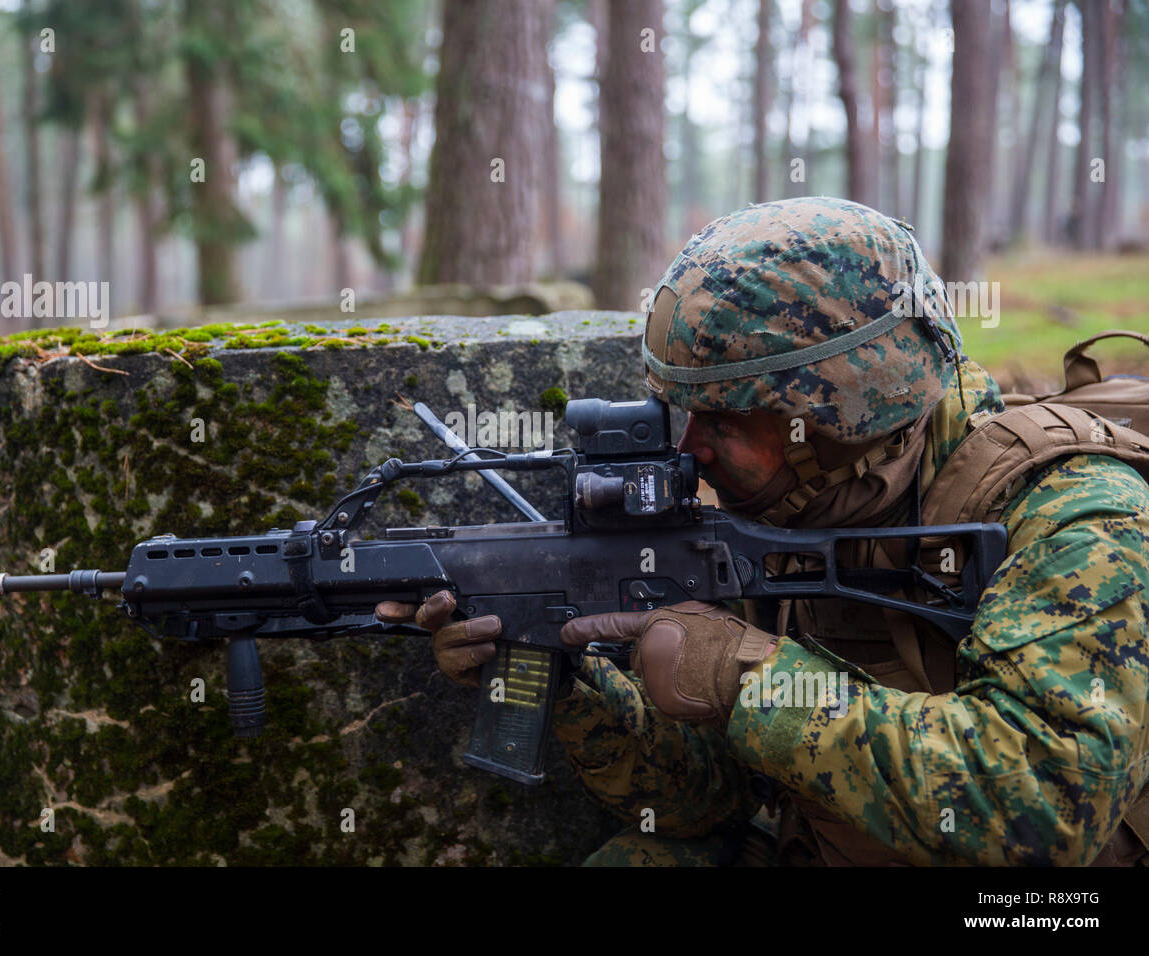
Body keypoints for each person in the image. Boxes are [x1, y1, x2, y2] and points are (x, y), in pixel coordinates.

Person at [377, 197, 1149, 866]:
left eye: (723, 419)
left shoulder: (1076, 513)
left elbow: (1048, 806)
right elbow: (702, 802)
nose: (689, 452)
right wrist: (564, 675)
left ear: (841, 415)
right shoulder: (785, 514)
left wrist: (748, 676)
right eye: (685, 414)